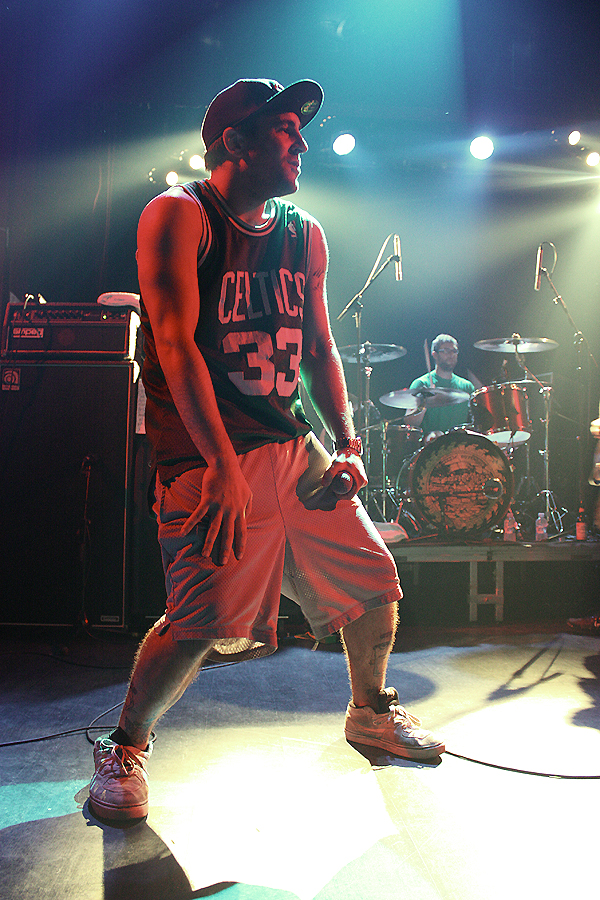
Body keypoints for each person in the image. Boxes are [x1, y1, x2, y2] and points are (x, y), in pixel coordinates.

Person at [88, 78, 445, 822]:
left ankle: (371, 711)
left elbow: (318, 346)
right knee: (199, 622)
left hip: (290, 445)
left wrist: (346, 441)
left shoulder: (303, 231)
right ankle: (123, 746)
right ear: (237, 142)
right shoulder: (179, 215)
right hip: (204, 454)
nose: (303, 143)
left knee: (375, 584)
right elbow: (176, 345)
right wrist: (218, 462)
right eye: (286, 129)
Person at [403, 334, 474, 441]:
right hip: (431, 447)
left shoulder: (467, 386)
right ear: (434, 354)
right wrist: (425, 402)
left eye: (454, 351)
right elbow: (410, 422)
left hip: (460, 448)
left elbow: (476, 421)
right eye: (446, 350)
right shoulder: (421, 384)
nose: (451, 354)